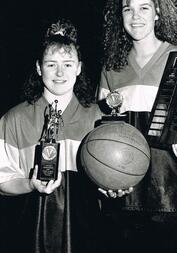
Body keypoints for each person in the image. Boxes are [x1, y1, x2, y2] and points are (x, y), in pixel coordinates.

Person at [98, 0, 177, 253]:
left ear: (157, 13)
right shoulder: (111, 68)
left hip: (172, 193)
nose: (135, 16)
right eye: (127, 9)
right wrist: (105, 179)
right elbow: (103, 135)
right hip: (123, 195)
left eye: (144, 8)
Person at [0, 19, 102, 253]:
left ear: (79, 68)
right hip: (27, 234)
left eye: (67, 64)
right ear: (38, 68)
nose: (59, 73)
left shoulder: (98, 118)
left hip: (86, 234)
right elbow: (2, 180)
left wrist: (114, 186)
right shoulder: (12, 119)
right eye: (51, 64)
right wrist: (29, 184)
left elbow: (109, 179)